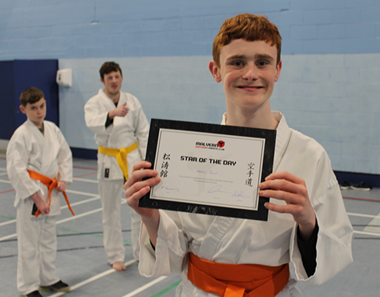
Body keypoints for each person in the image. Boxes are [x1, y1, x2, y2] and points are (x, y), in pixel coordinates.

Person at [125, 13, 353, 297]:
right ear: (215, 70)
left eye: (262, 62)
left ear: (278, 69)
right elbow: (175, 254)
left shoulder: (310, 155)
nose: (250, 73)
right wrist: (150, 217)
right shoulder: (186, 152)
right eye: (236, 62)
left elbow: (336, 247)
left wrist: (309, 223)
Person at [6, 87, 73, 297]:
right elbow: (16, 170)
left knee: (48, 240)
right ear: (23, 109)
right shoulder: (20, 136)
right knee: (29, 244)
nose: (39, 111)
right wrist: (37, 198)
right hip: (32, 198)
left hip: (51, 193)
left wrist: (63, 180)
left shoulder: (53, 129)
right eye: (33, 108)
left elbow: (64, 156)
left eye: (42, 106)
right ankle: (28, 287)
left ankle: (48, 279)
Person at [84, 61, 149, 271]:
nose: (114, 81)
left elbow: (144, 131)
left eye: (116, 76)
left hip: (132, 159)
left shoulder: (132, 101)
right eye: (109, 77)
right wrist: (111, 115)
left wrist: (147, 160)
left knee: (139, 209)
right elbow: (92, 122)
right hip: (109, 161)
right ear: (102, 80)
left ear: (121, 77)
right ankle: (115, 256)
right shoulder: (94, 103)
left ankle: (142, 252)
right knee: (110, 211)